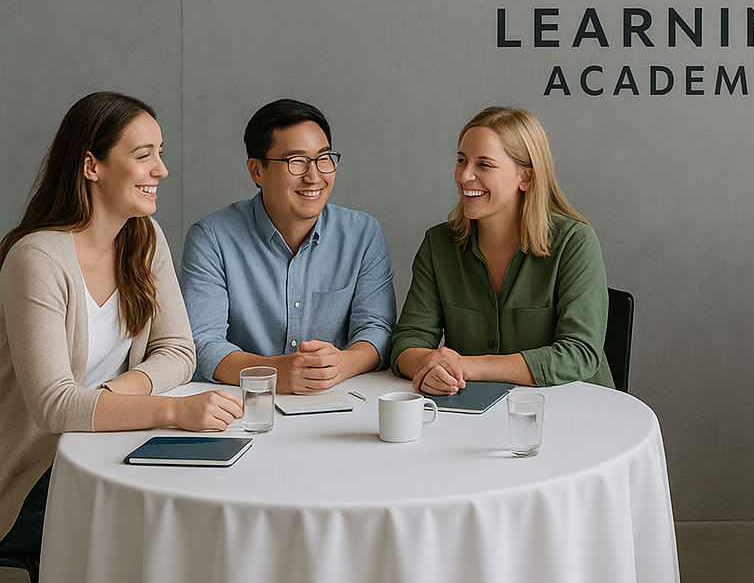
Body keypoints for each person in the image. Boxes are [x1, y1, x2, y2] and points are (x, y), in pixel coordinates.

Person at [0, 93, 241, 576]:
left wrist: (108, 395)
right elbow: (53, 408)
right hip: (39, 478)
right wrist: (174, 409)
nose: (161, 170)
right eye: (143, 155)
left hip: (115, 441)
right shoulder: (36, 259)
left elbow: (179, 351)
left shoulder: (144, 239)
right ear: (92, 165)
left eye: (160, 151)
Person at [180, 99, 395, 394]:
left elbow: (377, 328)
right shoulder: (211, 237)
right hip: (240, 405)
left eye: (324, 158)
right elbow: (202, 342)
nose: (314, 176)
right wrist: (272, 374)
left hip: (336, 401)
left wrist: (343, 363)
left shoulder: (362, 233)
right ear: (257, 171)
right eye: (296, 161)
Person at [390, 107, 612, 392]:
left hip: (575, 413)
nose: (464, 176)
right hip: (475, 414)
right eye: (462, 160)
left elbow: (579, 354)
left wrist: (467, 366)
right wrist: (427, 367)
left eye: (484, 165)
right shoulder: (438, 245)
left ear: (526, 178)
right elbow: (408, 340)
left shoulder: (575, 242)